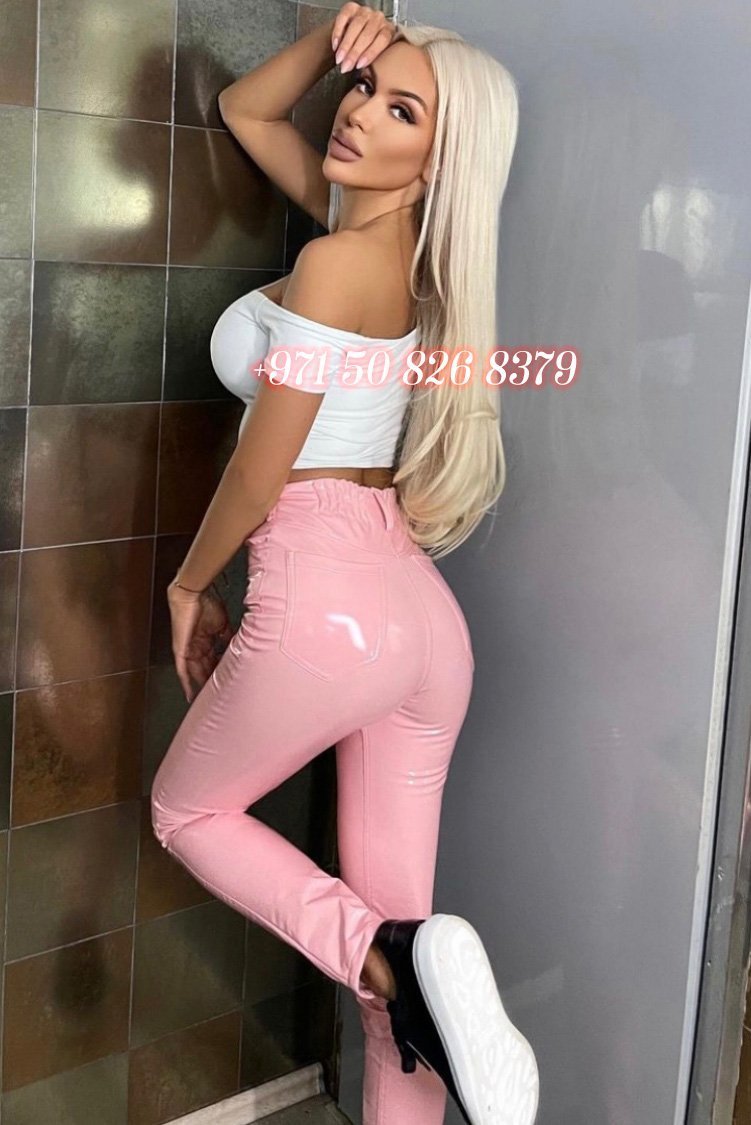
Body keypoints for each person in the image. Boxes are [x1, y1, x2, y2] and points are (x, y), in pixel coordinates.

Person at [150, 5, 539, 1123]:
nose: (360, 114)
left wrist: (189, 585)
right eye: (368, 89)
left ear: (439, 161)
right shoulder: (398, 258)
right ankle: (406, 967)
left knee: (189, 814)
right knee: (403, 1019)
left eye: (402, 110)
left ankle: (384, 955)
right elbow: (246, 109)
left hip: (326, 603)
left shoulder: (332, 262)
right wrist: (336, 39)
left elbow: (261, 470)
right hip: (420, 623)